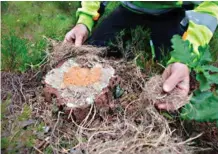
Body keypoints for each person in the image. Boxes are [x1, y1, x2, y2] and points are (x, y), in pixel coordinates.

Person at [64, 1, 218, 111]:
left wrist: (183, 58)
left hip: (170, 13)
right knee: (91, 51)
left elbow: (209, 6)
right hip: (129, 8)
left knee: (166, 77)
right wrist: (84, 22)